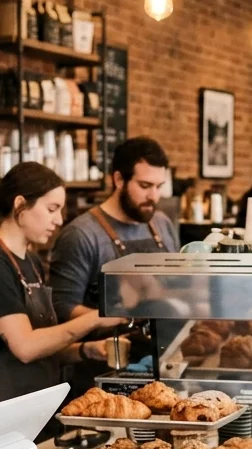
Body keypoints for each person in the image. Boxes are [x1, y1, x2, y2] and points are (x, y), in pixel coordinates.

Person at [0, 163, 126, 419]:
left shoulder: (32, 262)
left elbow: (44, 346)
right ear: (20, 206)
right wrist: (98, 316)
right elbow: (26, 347)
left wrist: (86, 350)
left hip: (36, 407)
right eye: (51, 209)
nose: (59, 220)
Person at [48, 137, 180, 321]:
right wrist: (126, 321)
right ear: (118, 179)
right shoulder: (82, 235)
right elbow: (62, 308)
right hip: (110, 345)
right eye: (145, 186)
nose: (154, 196)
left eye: (159, 187)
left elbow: (175, 286)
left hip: (165, 341)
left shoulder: (162, 224)